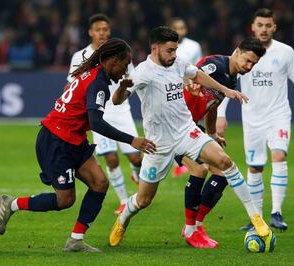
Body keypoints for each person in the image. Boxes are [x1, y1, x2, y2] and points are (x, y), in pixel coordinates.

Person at [108, 26, 271, 248]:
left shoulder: (178, 63)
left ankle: (255, 218)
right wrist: (121, 89)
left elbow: (197, 74)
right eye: (170, 50)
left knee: (224, 163)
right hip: (159, 142)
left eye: (175, 49)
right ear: (155, 49)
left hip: (187, 130)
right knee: (144, 199)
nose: (174, 54)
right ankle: (123, 218)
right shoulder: (142, 72)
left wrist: (226, 91)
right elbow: (117, 101)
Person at [0, 38, 156, 252]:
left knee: (99, 183)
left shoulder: (94, 74)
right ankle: (12, 203)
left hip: (72, 138)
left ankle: (75, 240)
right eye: (125, 64)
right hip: (56, 140)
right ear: (113, 61)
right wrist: (132, 140)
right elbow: (97, 123)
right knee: (65, 200)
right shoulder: (98, 83)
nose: (126, 70)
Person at [216, 8, 294, 231]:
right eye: (259, 25)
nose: (263, 29)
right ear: (252, 27)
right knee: (255, 167)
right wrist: (221, 113)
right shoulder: (241, 52)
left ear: (274, 28)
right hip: (252, 118)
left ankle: (276, 213)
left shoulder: (286, 52)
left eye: (268, 25)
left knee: (279, 156)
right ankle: (257, 217)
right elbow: (227, 82)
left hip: (278, 115)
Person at [180, 36, 266, 248]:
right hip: (173, 127)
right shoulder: (215, 64)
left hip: (193, 129)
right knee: (197, 171)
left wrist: (211, 135)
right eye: (247, 60)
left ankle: (195, 226)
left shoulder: (231, 78)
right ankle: (126, 215)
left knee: (221, 173)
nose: (249, 66)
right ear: (237, 51)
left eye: (253, 64)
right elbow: (191, 75)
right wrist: (190, 84)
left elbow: (212, 106)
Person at [68, 14, 143, 215]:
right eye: (98, 29)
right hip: (98, 112)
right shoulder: (80, 56)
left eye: (105, 29)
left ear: (109, 31)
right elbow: (73, 83)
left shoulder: (120, 52)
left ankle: (136, 175)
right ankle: (123, 200)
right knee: (111, 159)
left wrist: (126, 89)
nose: (102, 33)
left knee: (136, 159)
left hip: (120, 111)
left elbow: (133, 79)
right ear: (91, 32)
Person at [169, 17, 203, 177]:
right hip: (171, 92)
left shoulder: (194, 46)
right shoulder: (166, 47)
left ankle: (186, 159)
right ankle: (179, 159)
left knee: (190, 124)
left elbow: (198, 68)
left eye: (182, 28)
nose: (179, 31)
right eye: (176, 28)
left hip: (190, 91)